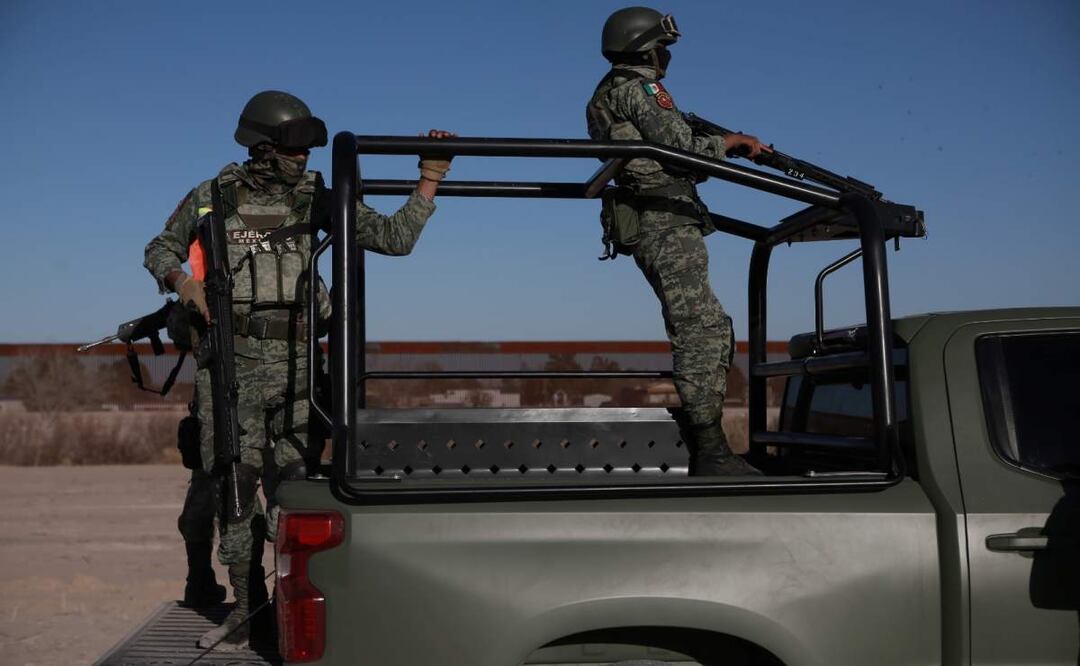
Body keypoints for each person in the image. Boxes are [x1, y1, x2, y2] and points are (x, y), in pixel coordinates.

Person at [144, 90, 455, 649]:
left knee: (299, 488)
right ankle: (249, 611)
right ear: (262, 147)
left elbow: (393, 238)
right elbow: (159, 247)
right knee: (235, 493)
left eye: (308, 150)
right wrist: (182, 281)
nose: (304, 160)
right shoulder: (212, 196)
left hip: (298, 366)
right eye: (294, 149)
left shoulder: (317, 198)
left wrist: (429, 177)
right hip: (231, 367)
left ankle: (301, 605)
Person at [586, 7, 767, 476]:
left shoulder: (609, 92)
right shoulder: (641, 88)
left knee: (704, 325)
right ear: (644, 47)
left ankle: (709, 445)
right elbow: (681, 154)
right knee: (701, 329)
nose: (666, 57)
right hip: (664, 220)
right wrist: (729, 144)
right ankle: (710, 452)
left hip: (653, 219)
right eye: (662, 47)